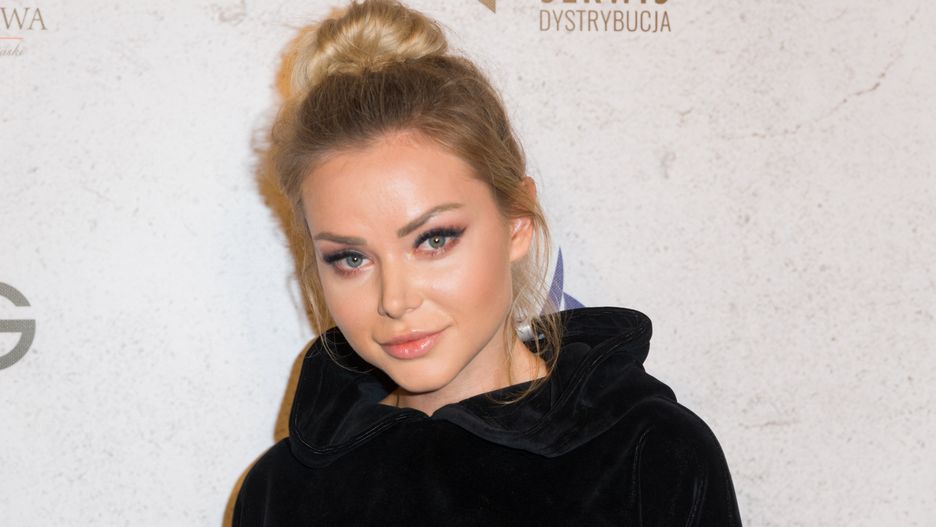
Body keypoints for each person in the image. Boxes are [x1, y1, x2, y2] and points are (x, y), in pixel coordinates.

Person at [233, 0, 743, 525]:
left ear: (517, 222)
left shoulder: (649, 456)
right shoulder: (279, 494)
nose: (395, 300)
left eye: (433, 240)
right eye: (351, 258)